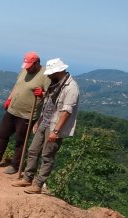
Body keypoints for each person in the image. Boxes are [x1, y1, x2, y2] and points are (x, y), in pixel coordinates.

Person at [12, 58, 79, 194]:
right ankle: (27, 178)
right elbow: (49, 104)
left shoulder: (71, 87)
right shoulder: (55, 83)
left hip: (55, 126)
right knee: (33, 150)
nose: (48, 75)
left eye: (50, 73)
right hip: (45, 121)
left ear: (58, 71)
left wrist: (56, 131)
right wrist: (39, 120)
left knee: (47, 155)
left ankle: (38, 184)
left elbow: (66, 111)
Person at [0, 52, 50, 174]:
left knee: (20, 141)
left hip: (27, 114)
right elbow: (17, 86)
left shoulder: (45, 75)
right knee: (2, 134)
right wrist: (9, 98)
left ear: (37, 63)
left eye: (30, 66)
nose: (27, 68)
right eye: (26, 65)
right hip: (12, 109)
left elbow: (51, 94)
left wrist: (42, 94)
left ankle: (15, 165)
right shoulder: (24, 71)